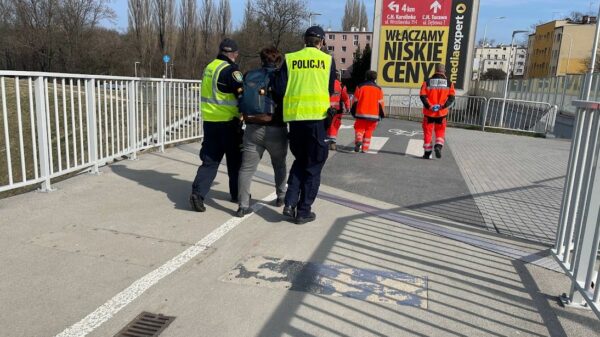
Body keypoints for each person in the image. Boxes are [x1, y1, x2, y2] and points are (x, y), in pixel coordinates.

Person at [274, 26, 336, 224]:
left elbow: (280, 88)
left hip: (296, 119)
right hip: (317, 120)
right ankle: (303, 211)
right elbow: (329, 87)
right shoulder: (327, 60)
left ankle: (290, 203)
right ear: (322, 42)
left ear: (304, 40)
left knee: (300, 160)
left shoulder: (290, 59)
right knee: (314, 165)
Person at [189, 38, 244, 212]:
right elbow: (242, 96)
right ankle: (237, 194)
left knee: (210, 161)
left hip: (210, 122)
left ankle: (197, 194)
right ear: (234, 54)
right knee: (235, 162)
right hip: (228, 123)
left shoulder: (209, 67)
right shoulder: (231, 71)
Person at [235, 47, 288, 217]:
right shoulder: (280, 76)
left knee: (246, 169)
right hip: (276, 127)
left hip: (252, 127)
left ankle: (243, 205)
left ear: (262, 59)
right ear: (277, 60)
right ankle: (281, 197)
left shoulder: (250, 74)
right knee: (279, 165)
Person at [419, 63, 455, 159]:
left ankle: (427, 153)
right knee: (440, 131)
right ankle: (438, 146)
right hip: (441, 113)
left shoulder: (427, 82)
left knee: (428, 132)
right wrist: (443, 106)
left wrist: (430, 106)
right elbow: (451, 98)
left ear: (435, 71)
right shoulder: (449, 83)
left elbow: (422, 96)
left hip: (429, 113)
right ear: (444, 72)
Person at [351, 70, 385, 153]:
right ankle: (365, 148)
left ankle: (359, 140)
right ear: (375, 78)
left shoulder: (360, 87)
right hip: (373, 115)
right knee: (369, 131)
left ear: (366, 77)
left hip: (361, 113)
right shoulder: (378, 89)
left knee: (359, 128)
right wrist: (381, 114)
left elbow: (355, 101)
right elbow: (381, 103)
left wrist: (352, 111)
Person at [326, 72, 351, 151]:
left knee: (326, 125)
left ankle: (326, 142)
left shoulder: (325, 83)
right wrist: (348, 107)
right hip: (337, 110)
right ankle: (332, 143)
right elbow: (345, 98)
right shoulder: (341, 86)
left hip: (325, 109)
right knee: (334, 125)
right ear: (338, 77)